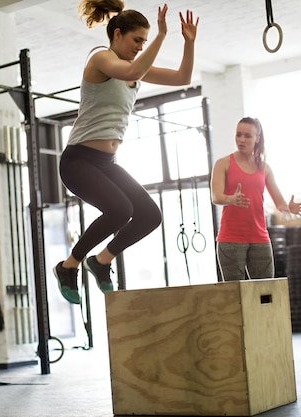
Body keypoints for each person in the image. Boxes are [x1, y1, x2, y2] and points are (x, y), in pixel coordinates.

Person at [53, 1, 199, 304]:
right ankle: (69, 266)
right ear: (117, 34)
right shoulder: (100, 58)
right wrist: (160, 35)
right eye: (137, 40)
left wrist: (189, 43)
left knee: (149, 215)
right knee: (120, 210)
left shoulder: (136, 71)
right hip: (78, 160)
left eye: (144, 41)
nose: (140, 46)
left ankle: (102, 260)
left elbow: (183, 78)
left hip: (106, 162)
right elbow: (133, 68)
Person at [210, 117, 301, 281]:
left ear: (257, 139)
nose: (241, 140)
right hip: (231, 239)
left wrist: (289, 208)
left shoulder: (264, 168)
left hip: (259, 238)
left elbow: (280, 204)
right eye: (238, 135)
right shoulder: (223, 163)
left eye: (247, 136)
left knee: (265, 291)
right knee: (235, 294)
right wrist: (231, 199)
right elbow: (216, 196)